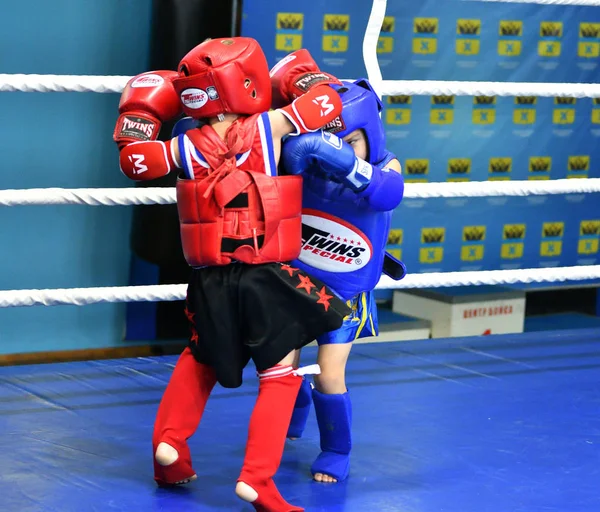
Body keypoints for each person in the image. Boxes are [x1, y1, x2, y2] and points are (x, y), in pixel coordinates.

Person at [113, 37, 351, 512]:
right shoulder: (270, 127)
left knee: (200, 356)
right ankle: (256, 479)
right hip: (265, 273)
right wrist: (300, 78)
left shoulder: (183, 145)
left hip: (209, 278)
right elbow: (328, 105)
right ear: (246, 82)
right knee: (280, 372)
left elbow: (134, 160)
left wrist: (139, 115)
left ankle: (170, 448)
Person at [280, 78, 406, 484]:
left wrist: (340, 160)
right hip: (298, 279)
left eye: (350, 141)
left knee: (329, 372)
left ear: (371, 134)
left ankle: (336, 449)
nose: (340, 149)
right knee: (282, 363)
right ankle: (292, 417)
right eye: (329, 141)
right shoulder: (304, 163)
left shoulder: (387, 166)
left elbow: (387, 194)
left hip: (347, 290)